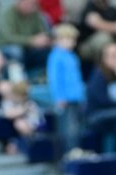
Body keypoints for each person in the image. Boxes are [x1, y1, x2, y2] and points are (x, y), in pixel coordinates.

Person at [46, 22, 85, 158]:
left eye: (73, 40)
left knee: (76, 126)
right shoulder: (55, 57)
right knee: (68, 127)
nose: (72, 43)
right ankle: (69, 151)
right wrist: (59, 97)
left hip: (75, 97)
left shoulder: (72, 55)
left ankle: (75, 149)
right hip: (65, 99)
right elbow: (54, 79)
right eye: (68, 39)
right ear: (58, 40)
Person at [85, 40, 116, 154]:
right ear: (104, 58)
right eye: (112, 56)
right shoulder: (98, 75)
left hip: (115, 114)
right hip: (96, 115)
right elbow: (101, 100)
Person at [0, 0, 51, 77]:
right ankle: (19, 78)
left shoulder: (35, 14)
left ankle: (37, 76)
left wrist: (43, 39)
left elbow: (41, 32)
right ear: (18, 2)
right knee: (16, 51)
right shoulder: (7, 13)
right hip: (7, 45)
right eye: (26, 3)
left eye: (32, 4)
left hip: (28, 46)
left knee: (46, 50)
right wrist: (31, 40)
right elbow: (7, 37)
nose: (29, 6)